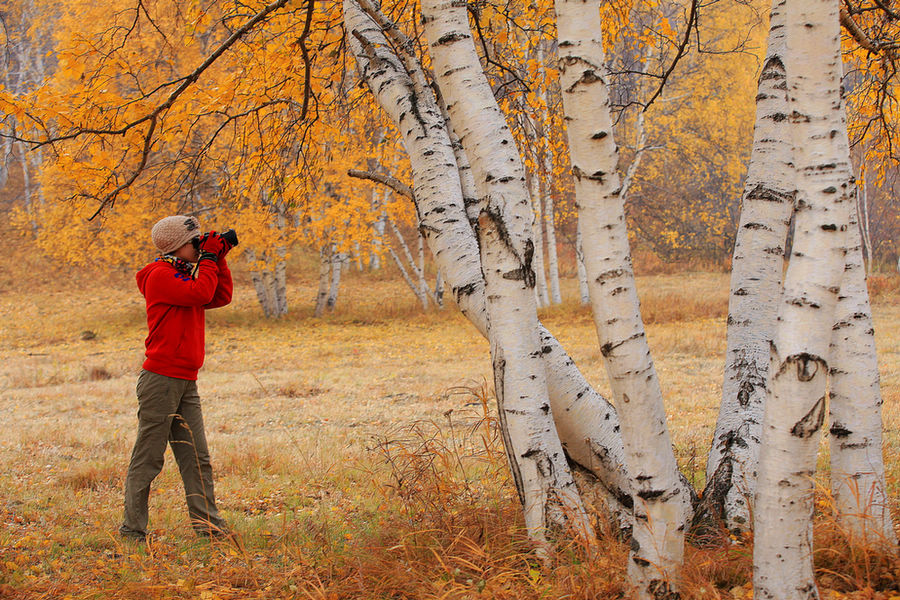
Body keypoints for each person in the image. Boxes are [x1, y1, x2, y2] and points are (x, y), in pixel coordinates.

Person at [119, 215, 235, 542]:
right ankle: (132, 532)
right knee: (148, 458)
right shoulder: (159, 276)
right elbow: (200, 292)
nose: (198, 247)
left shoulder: (185, 274)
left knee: (197, 459)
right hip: (160, 380)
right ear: (174, 246)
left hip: (185, 380)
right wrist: (209, 258)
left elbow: (219, 295)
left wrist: (219, 259)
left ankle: (209, 529)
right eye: (194, 242)